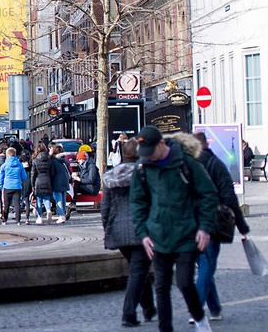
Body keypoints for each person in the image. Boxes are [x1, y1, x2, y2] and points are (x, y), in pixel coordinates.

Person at [129, 126, 218, 332]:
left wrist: (204, 228)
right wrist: (143, 234)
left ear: (162, 144)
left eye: (151, 152)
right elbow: (137, 201)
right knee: (161, 286)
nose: (147, 157)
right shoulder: (143, 168)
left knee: (185, 282)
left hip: (187, 233)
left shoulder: (186, 163)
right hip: (158, 236)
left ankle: (199, 318)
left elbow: (209, 195)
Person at [192, 131, 252, 323]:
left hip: (189, 223)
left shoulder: (186, 166)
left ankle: (207, 308)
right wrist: (241, 225)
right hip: (212, 223)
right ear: (207, 145)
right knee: (207, 265)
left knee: (204, 266)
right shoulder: (216, 165)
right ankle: (207, 308)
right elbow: (229, 197)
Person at [102, 139, 157, 327]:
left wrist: (107, 229)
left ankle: (149, 309)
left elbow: (105, 208)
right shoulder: (144, 174)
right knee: (137, 271)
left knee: (139, 270)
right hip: (141, 230)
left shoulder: (110, 178)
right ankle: (128, 313)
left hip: (118, 230)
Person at [0, 147, 27, 225]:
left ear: (7, 155)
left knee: (6, 204)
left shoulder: (4, 165)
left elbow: (0, 177)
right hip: (17, 185)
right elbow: (24, 176)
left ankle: (5, 220)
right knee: (17, 203)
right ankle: (18, 220)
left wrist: (1, 186)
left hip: (7, 186)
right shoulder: (19, 164)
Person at [31, 143, 55, 224]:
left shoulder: (35, 160)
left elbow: (33, 174)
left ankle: (40, 217)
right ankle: (48, 210)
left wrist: (32, 184)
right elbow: (52, 172)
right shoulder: (49, 160)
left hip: (38, 180)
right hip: (47, 179)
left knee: (39, 200)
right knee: (46, 198)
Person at [50, 147, 72, 222]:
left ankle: (61, 215)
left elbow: (52, 172)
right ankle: (63, 214)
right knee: (63, 199)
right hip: (65, 181)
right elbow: (69, 171)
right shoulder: (64, 161)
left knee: (58, 199)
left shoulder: (53, 161)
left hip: (56, 181)